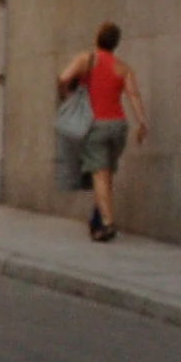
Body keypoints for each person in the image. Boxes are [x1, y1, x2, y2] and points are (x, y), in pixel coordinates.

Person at [58, 22, 146, 240]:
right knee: (105, 174)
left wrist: (67, 96)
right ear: (116, 44)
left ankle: (107, 223)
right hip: (118, 126)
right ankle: (97, 218)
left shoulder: (86, 60)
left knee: (100, 174)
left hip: (95, 125)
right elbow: (134, 96)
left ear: (98, 38)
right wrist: (142, 123)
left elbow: (63, 78)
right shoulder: (123, 67)